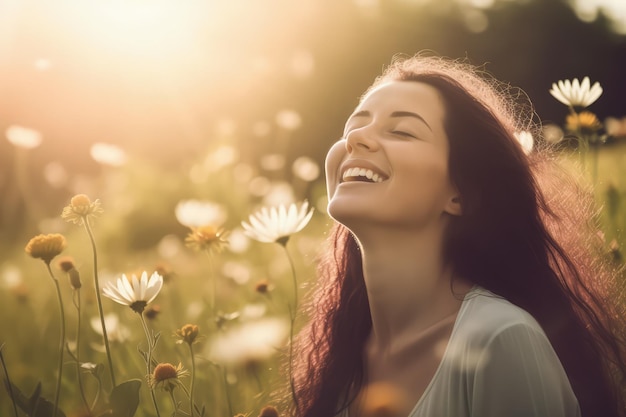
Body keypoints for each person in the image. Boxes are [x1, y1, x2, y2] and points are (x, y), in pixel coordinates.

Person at [287, 54, 626, 417]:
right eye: (353, 126)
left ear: (461, 195)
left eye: (401, 131)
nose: (356, 138)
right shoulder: (341, 359)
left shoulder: (500, 338)